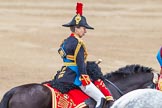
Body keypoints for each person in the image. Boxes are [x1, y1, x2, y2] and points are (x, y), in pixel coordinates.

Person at [55, 2, 113, 108]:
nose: (85, 31)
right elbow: (80, 63)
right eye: (83, 28)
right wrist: (85, 78)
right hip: (74, 76)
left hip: (63, 74)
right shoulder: (78, 43)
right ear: (76, 28)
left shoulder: (66, 41)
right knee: (101, 98)